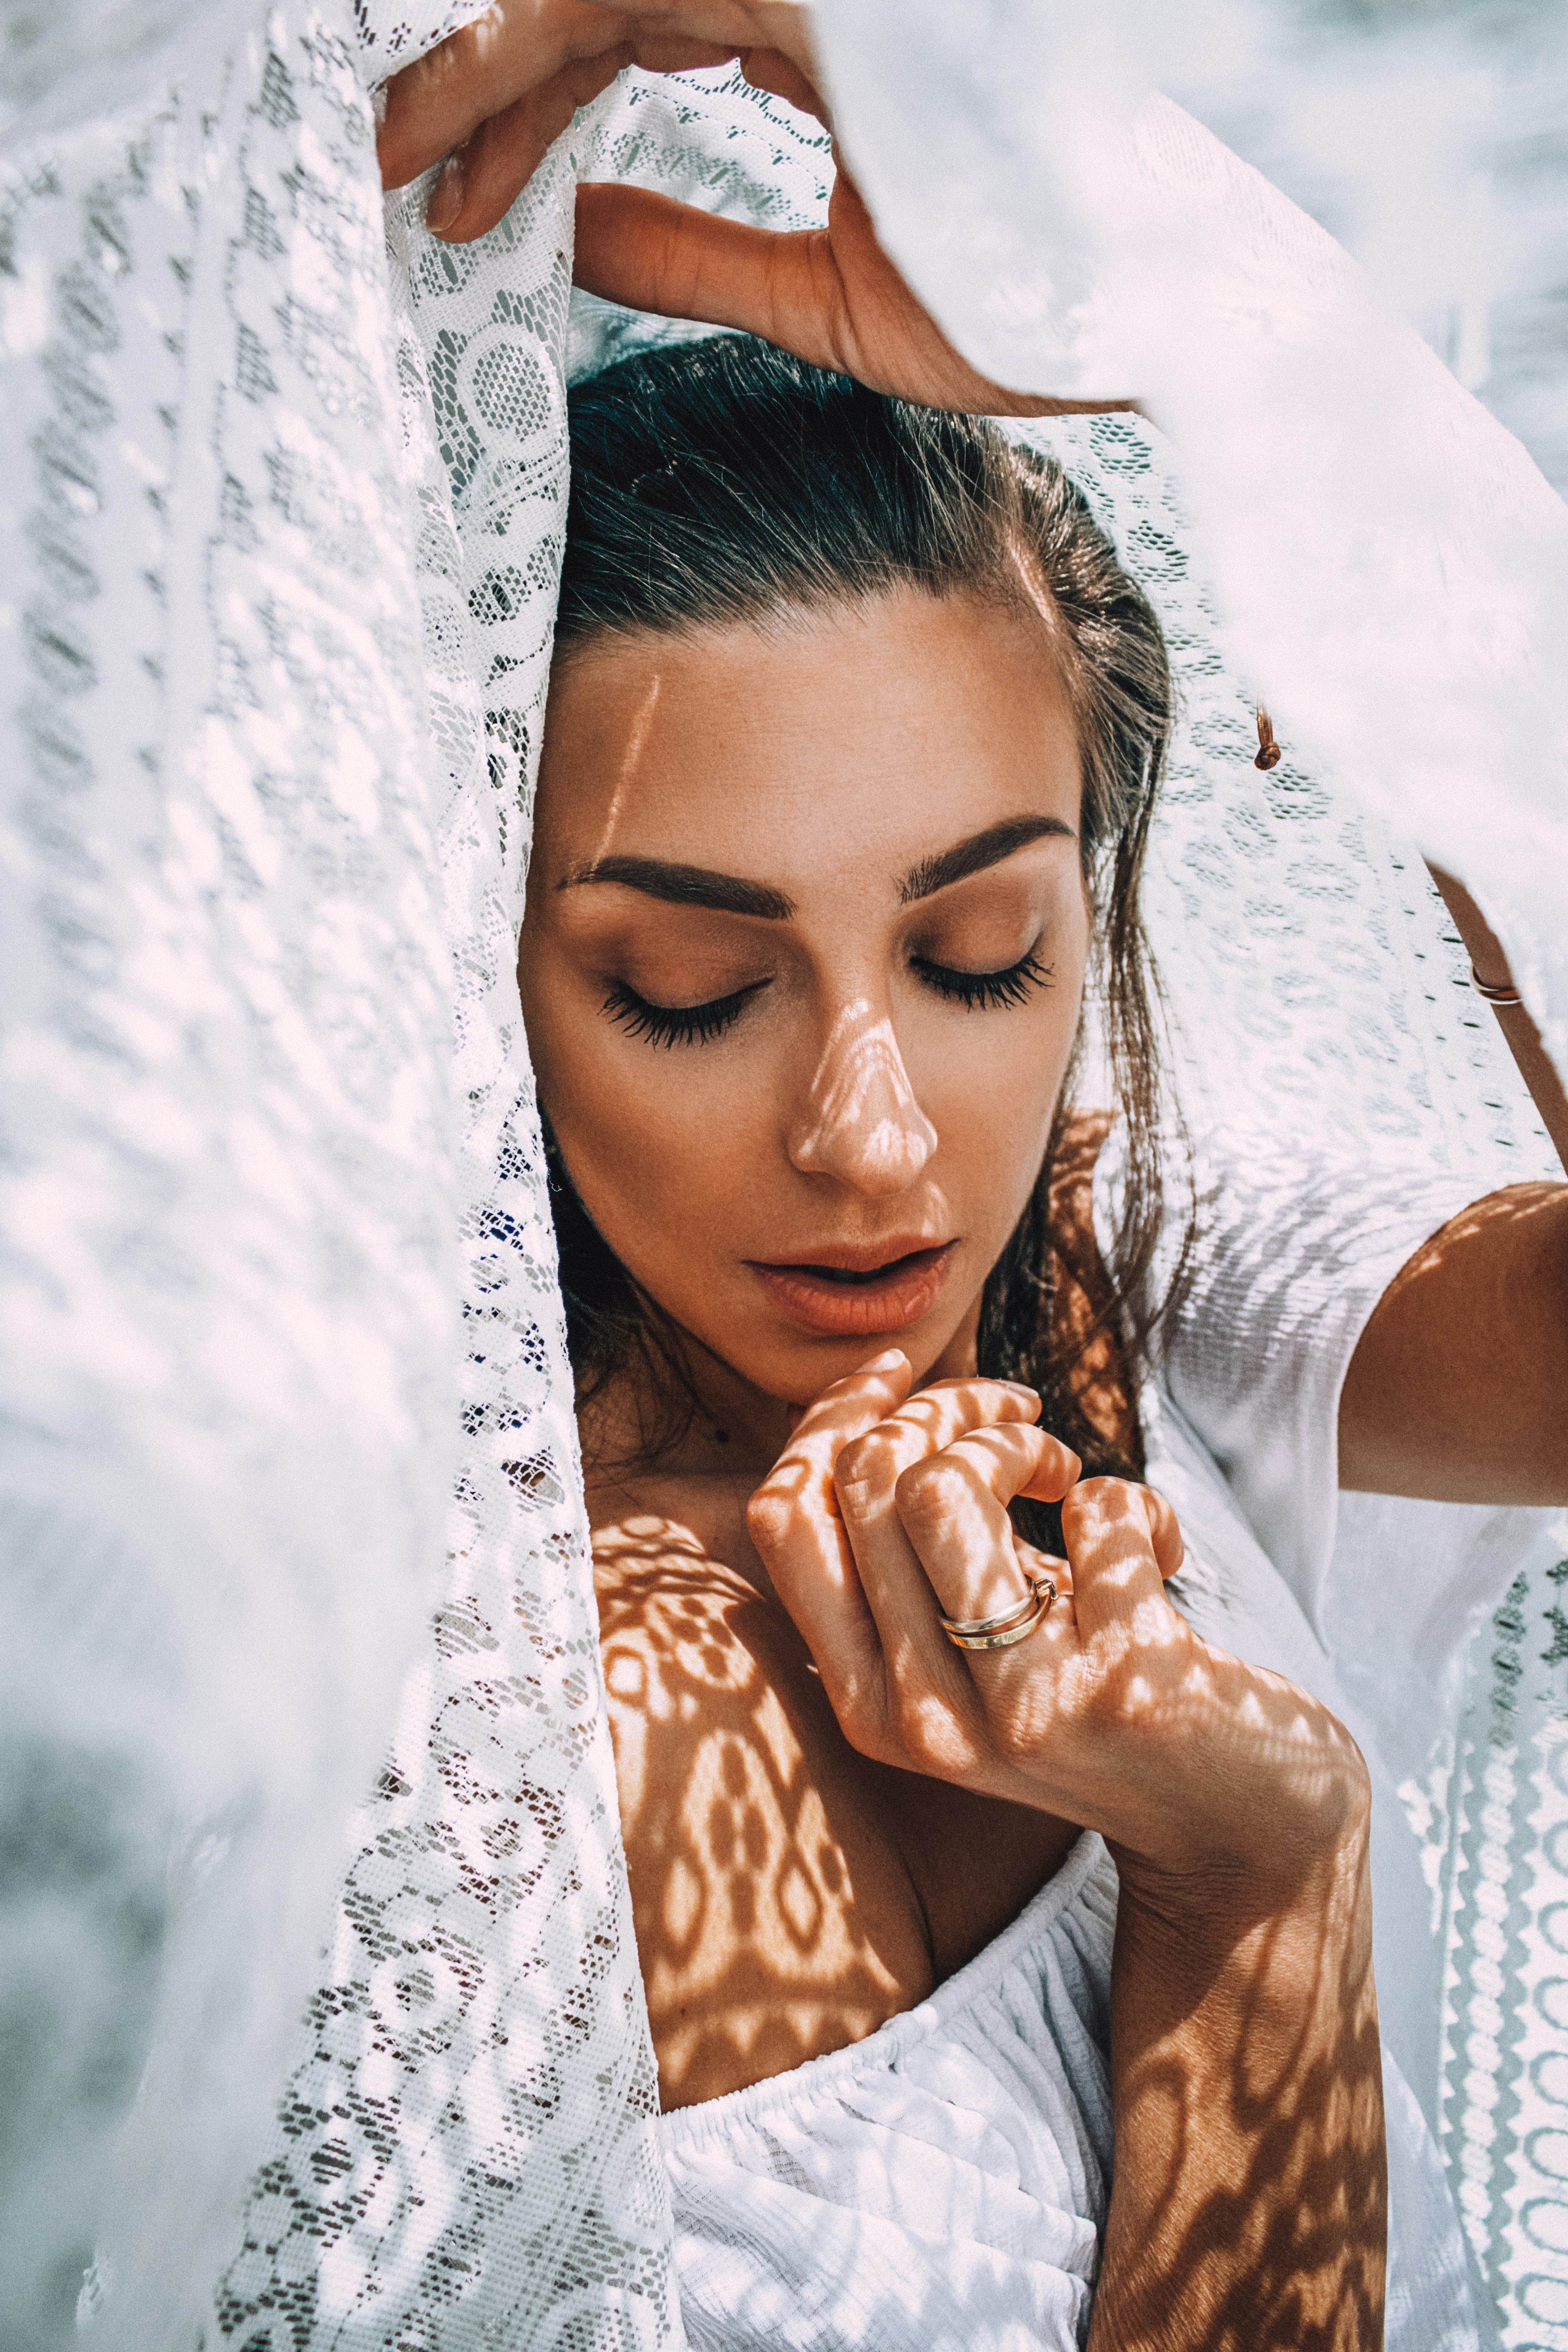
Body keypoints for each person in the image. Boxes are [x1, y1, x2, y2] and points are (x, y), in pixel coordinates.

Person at [510, 328, 1568, 2350]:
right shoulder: (578, 1736)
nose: (879, 1142)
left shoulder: (1094, 1244)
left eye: (980, 954)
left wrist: (1463, 689)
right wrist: (1256, 1878)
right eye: (690, 990)